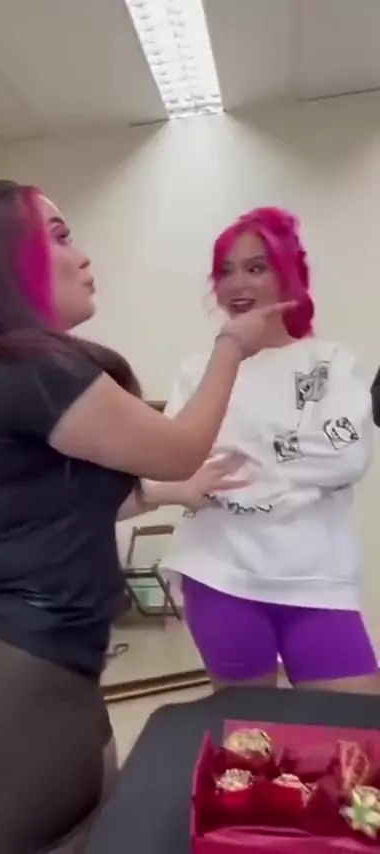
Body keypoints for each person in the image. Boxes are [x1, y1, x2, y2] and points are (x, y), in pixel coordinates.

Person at [0, 178, 291, 854]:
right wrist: (231, 345)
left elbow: (41, 502)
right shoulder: (37, 373)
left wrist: (174, 493)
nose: (82, 255)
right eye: (58, 236)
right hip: (14, 693)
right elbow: (179, 447)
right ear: (5, 262)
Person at [161, 206, 379, 695]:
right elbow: (176, 460)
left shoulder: (330, 362)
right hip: (217, 573)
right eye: (226, 271)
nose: (238, 284)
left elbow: (346, 457)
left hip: (317, 579)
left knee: (354, 729)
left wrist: (239, 455)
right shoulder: (199, 370)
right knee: (246, 730)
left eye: (256, 268)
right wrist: (292, 459)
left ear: (288, 276)